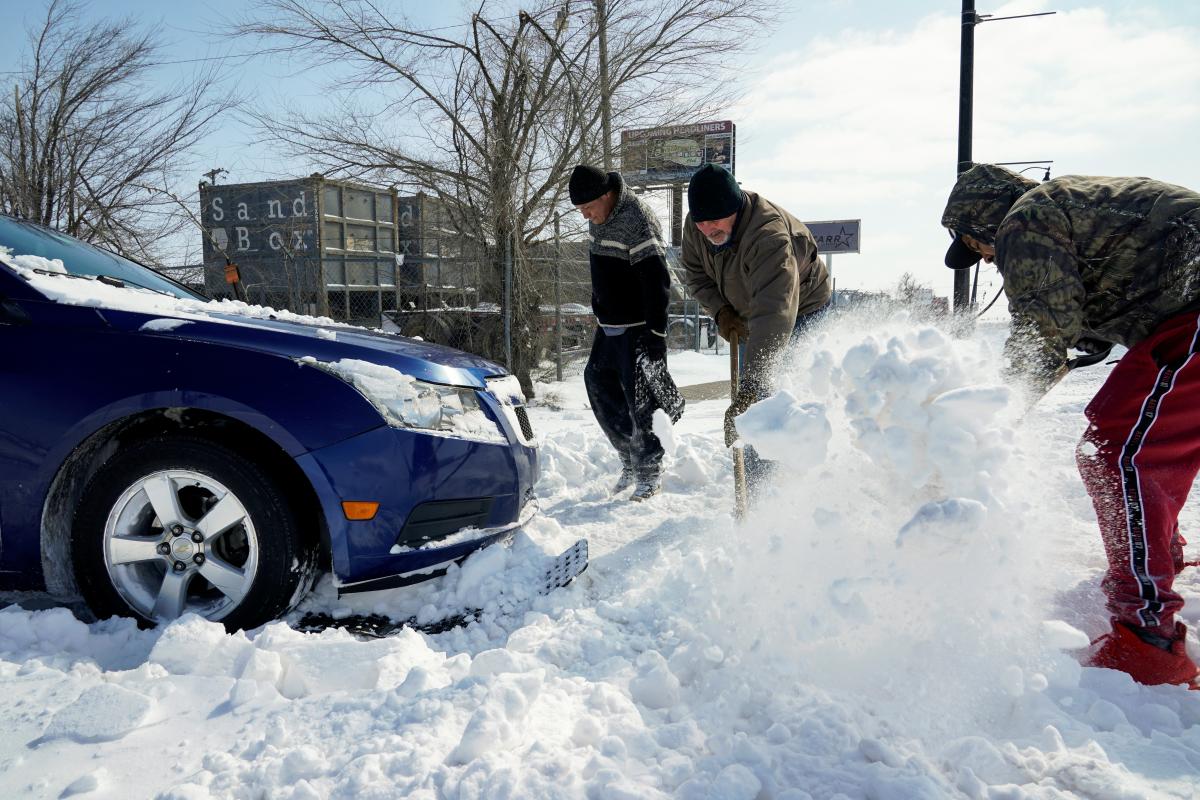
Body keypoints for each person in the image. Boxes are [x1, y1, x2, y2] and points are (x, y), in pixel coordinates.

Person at [941, 163, 1200, 688]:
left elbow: (1042, 333)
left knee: (1116, 451)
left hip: (1192, 318)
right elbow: (1083, 311)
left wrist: (987, 425)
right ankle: (1158, 556)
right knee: (1149, 436)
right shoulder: (1067, 203)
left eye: (978, 247)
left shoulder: (1024, 221)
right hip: (1185, 314)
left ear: (980, 223)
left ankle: (1145, 638)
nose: (989, 261)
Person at [680, 163, 831, 479]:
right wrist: (721, 311)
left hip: (800, 308)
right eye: (702, 222)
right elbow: (695, 275)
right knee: (757, 399)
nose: (708, 229)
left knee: (767, 398)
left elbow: (775, 312)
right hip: (749, 309)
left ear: (735, 208)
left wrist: (751, 386)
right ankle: (759, 482)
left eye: (716, 220)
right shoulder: (697, 226)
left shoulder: (768, 236)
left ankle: (779, 483)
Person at [571, 164, 682, 501]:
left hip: (637, 326)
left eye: (589, 208)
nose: (586, 216)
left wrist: (656, 334)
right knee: (598, 385)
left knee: (640, 399)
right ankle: (630, 458)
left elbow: (656, 279)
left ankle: (649, 469)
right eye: (580, 211)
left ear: (607, 195)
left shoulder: (636, 218)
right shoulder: (598, 218)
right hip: (609, 325)